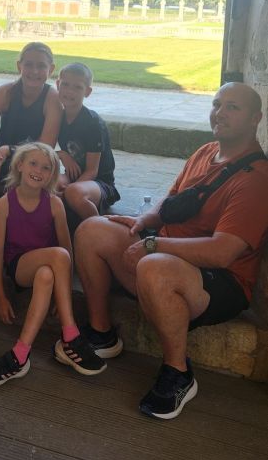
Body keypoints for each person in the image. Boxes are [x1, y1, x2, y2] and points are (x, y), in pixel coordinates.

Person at [74, 82, 268, 420]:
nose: (220, 113)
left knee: (155, 266)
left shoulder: (256, 179)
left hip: (220, 280)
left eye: (232, 107)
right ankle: (102, 334)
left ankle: (178, 372)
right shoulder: (206, 151)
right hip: (167, 252)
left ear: (256, 119)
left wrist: (153, 244)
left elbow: (222, 252)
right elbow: (171, 199)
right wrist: (144, 221)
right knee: (92, 229)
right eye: (216, 104)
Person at [0, 143, 106, 385]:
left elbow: (67, 248)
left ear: (52, 175)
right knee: (58, 256)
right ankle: (70, 335)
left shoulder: (55, 203)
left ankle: (20, 354)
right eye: (33, 163)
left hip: (48, 267)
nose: (39, 170)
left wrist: (61, 294)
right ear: (20, 165)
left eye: (46, 168)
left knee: (47, 273)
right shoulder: (5, 203)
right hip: (19, 266)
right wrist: (0, 296)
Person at [0, 42, 63, 260]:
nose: (34, 71)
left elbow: (45, 149)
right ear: (19, 66)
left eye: (41, 66)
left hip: (31, 168)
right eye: (29, 64)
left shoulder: (52, 98)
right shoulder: (5, 92)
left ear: (51, 70)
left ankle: (18, 239)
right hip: (2, 164)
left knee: (32, 168)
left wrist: (10, 149)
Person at [56, 62, 120, 223]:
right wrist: (62, 154)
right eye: (65, 84)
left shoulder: (92, 123)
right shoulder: (57, 116)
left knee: (74, 193)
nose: (69, 91)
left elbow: (92, 171)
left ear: (87, 92)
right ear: (57, 85)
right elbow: (42, 148)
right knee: (47, 184)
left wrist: (69, 190)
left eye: (77, 87)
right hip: (73, 177)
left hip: (100, 183)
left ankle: (98, 228)